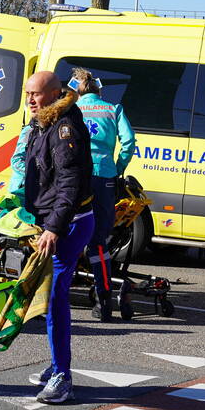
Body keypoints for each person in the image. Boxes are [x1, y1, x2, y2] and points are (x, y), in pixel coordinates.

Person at [20, 70, 94, 404]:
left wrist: (53, 227)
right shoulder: (44, 123)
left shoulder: (64, 128)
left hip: (70, 223)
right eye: (27, 94)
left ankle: (63, 376)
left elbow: (70, 184)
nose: (30, 100)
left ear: (53, 94)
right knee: (48, 298)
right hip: (55, 220)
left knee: (53, 298)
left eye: (35, 94)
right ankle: (56, 364)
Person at [72, 68, 136, 321]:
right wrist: (117, 167)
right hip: (104, 177)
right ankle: (104, 303)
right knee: (99, 242)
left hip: (76, 177)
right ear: (98, 88)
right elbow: (129, 142)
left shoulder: (73, 109)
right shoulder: (113, 109)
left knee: (67, 235)